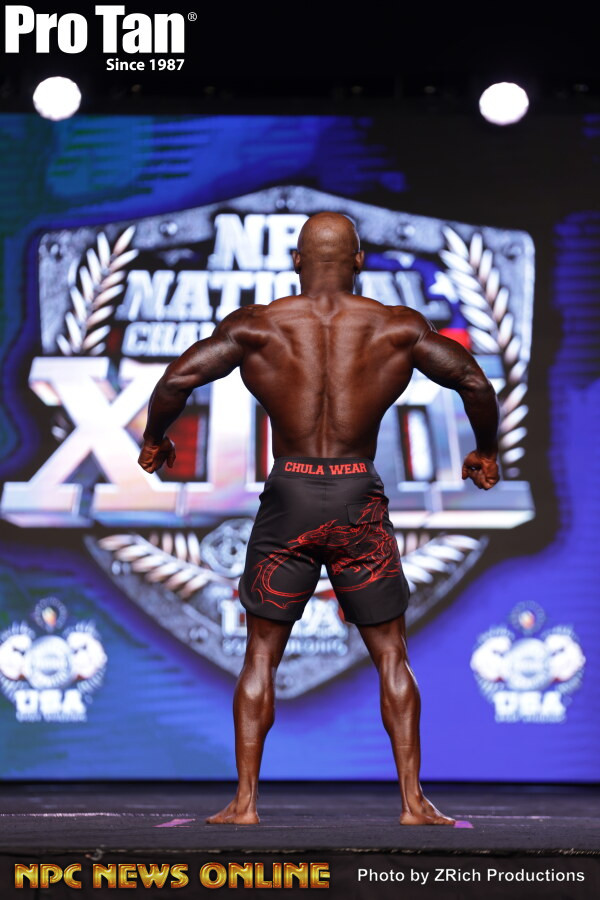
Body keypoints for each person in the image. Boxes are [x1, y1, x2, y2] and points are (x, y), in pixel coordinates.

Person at [138, 212, 500, 826]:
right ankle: (413, 803)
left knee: (260, 654)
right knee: (391, 653)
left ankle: (245, 803)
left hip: (292, 495)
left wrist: (155, 439)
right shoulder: (396, 327)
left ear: (296, 261)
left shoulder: (258, 326)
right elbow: (471, 380)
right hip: (357, 494)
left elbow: (179, 379)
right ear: (359, 261)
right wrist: (485, 451)